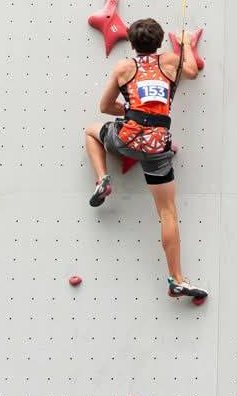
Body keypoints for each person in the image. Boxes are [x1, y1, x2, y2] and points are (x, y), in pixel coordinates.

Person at [83, 18, 207, 303]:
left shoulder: (125, 67)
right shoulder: (170, 61)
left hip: (127, 138)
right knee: (167, 212)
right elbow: (192, 72)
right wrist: (187, 44)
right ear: (160, 40)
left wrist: (128, 110)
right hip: (157, 147)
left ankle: (102, 179)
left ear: (132, 43)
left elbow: (104, 107)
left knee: (91, 131)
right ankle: (176, 279)